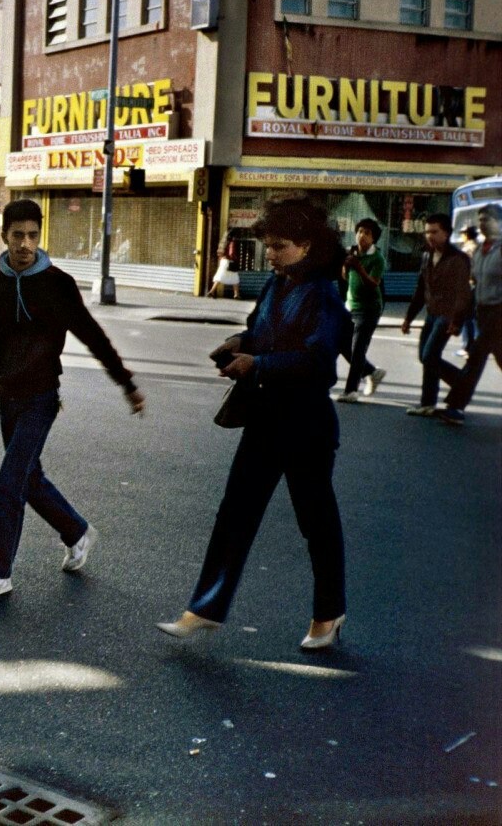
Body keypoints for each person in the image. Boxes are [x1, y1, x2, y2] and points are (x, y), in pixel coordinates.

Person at [156, 195, 351, 650]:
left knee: (316, 522)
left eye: (280, 245)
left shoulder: (323, 293)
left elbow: (320, 362)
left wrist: (258, 364)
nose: (271, 253)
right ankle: (203, 609)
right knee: (234, 515)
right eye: (267, 244)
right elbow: (261, 331)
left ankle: (329, 613)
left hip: (305, 425)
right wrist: (239, 341)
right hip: (265, 417)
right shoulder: (277, 284)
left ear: (308, 245)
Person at [0, 198, 145, 600]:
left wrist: (126, 383)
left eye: (33, 235)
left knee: (10, 480)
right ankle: (76, 530)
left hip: (41, 398)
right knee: (29, 478)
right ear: (4, 236)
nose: (26, 244)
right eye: (18, 235)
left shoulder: (57, 284)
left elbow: (92, 334)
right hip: (5, 395)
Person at [400, 213, 473, 417]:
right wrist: (408, 318)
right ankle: (429, 402)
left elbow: (463, 294)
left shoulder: (458, 259)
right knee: (426, 358)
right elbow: (420, 290)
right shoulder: (426, 256)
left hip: (448, 315)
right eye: (427, 232)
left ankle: (460, 383)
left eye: (434, 232)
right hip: (432, 314)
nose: (429, 236)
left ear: (446, 233)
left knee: (429, 355)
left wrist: (457, 321)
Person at [438, 205, 502, 425]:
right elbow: (473, 284)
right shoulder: (479, 251)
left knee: (475, 356)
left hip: (499, 312)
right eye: (480, 219)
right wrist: (459, 317)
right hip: (484, 312)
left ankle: (456, 406)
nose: (483, 223)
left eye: (488, 219)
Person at [336, 218, 387, 403]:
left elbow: (373, 283)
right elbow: (344, 277)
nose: (362, 236)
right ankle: (372, 372)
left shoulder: (377, 258)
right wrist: (345, 265)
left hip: (369, 309)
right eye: (359, 231)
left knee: (357, 349)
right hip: (351, 307)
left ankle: (351, 391)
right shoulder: (351, 252)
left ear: (374, 238)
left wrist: (358, 267)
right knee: (343, 345)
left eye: (367, 233)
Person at [456, 226, 480, 358]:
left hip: (469, 285)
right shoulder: (480, 247)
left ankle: (468, 346)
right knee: (474, 317)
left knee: (467, 317)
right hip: (479, 285)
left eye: (463, 234)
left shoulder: (467, 249)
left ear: (467, 235)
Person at [206, 230, 241, 299]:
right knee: (235, 277)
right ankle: (236, 294)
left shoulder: (223, 242)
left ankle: (212, 291)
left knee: (220, 276)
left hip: (223, 261)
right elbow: (231, 253)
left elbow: (220, 252)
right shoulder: (232, 242)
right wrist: (234, 258)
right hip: (229, 261)